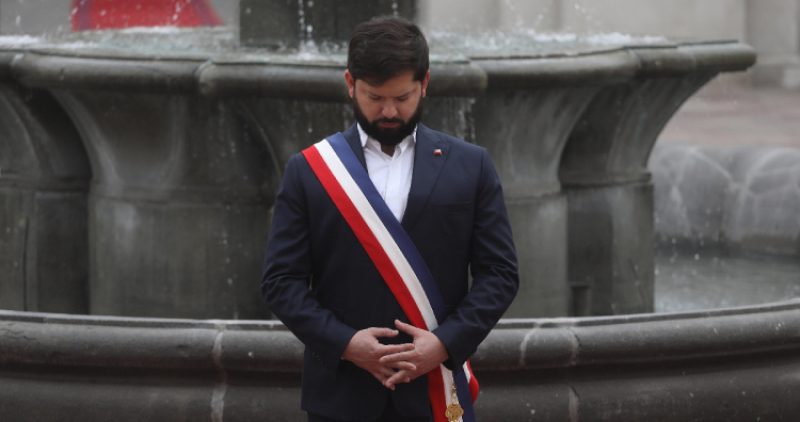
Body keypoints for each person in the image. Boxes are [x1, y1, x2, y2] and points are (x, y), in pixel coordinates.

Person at [262, 16, 518, 422]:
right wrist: (346, 344)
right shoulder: (309, 170)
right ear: (350, 83)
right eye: (374, 96)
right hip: (342, 398)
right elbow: (281, 282)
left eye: (402, 97)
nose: (388, 111)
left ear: (425, 83)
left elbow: (500, 274)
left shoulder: (472, 166)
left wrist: (444, 344)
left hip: (435, 394)